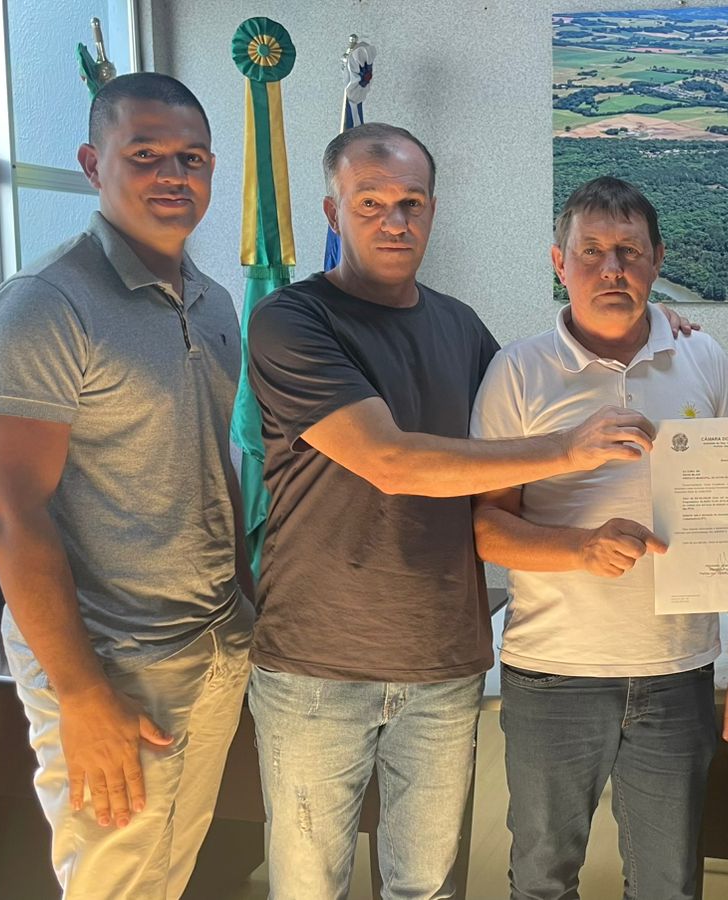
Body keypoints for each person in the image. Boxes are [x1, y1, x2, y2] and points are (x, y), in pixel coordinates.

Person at [243, 125, 697, 899]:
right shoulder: (291, 320)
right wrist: (569, 451)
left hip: (442, 661)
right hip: (318, 661)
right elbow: (391, 461)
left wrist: (655, 326)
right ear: (332, 212)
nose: (395, 221)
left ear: (432, 209)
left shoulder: (460, 328)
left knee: (425, 888)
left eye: (412, 203)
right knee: (309, 887)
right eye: (371, 203)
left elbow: (538, 385)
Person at [0, 72, 252, 898]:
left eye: (192, 158)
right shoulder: (45, 306)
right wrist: (81, 693)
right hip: (113, 662)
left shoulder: (213, 304)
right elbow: (8, 512)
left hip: (209, 638)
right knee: (116, 881)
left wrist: (242, 601)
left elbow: (216, 463)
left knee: (170, 868)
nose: (174, 174)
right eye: (146, 154)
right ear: (95, 165)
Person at [471, 176, 728, 900]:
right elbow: (485, 527)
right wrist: (580, 549)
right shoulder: (518, 371)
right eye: (592, 252)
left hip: (677, 668)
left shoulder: (703, 359)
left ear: (657, 260)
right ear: (559, 262)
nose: (612, 269)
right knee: (543, 878)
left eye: (630, 252)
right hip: (553, 670)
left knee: (669, 883)